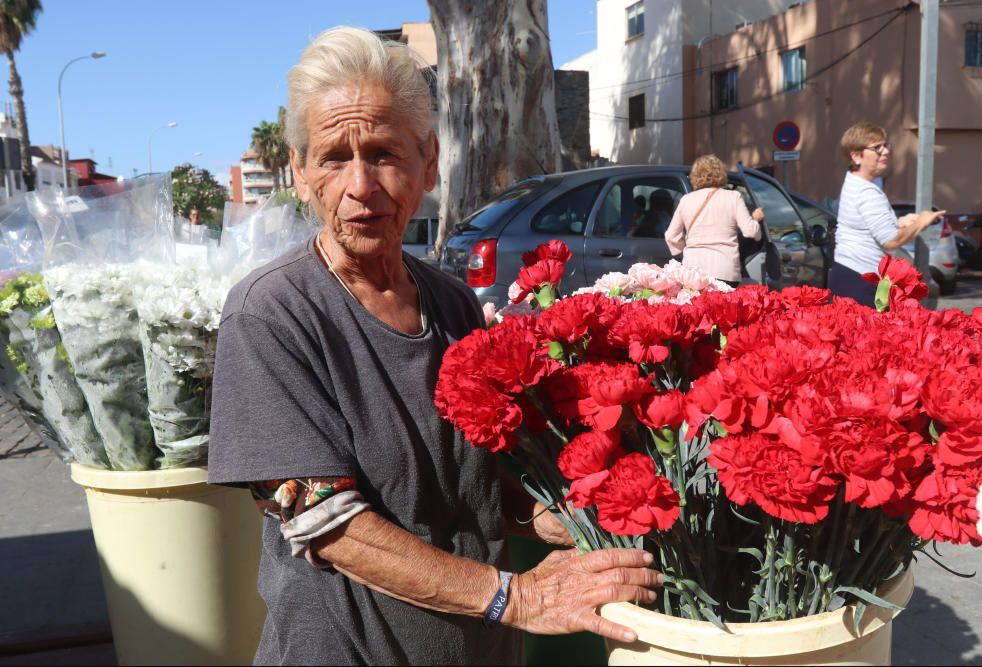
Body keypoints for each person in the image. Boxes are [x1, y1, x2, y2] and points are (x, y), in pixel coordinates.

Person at [207, 27, 661, 666]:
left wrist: (553, 518)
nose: (361, 185)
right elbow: (323, 522)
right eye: (335, 158)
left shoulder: (449, 302)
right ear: (303, 174)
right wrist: (517, 598)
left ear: (428, 161)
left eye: (386, 153)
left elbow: (468, 480)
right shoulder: (271, 313)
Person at [829, 122, 944, 305]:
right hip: (860, 280)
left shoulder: (853, 181)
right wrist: (921, 221)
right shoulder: (866, 192)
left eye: (885, 145)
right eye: (876, 148)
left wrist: (900, 222)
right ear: (856, 156)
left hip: (849, 273)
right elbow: (891, 240)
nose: (885, 151)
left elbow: (867, 225)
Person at [664, 154, 764, 287]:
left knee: (697, 307)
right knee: (723, 307)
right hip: (725, 269)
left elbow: (670, 236)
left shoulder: (686, 200)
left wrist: (688, 248)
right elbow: (751, 232)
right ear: (720, 173)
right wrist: (756, 219)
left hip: (693, 270)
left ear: (695, 176)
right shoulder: (733, 197)